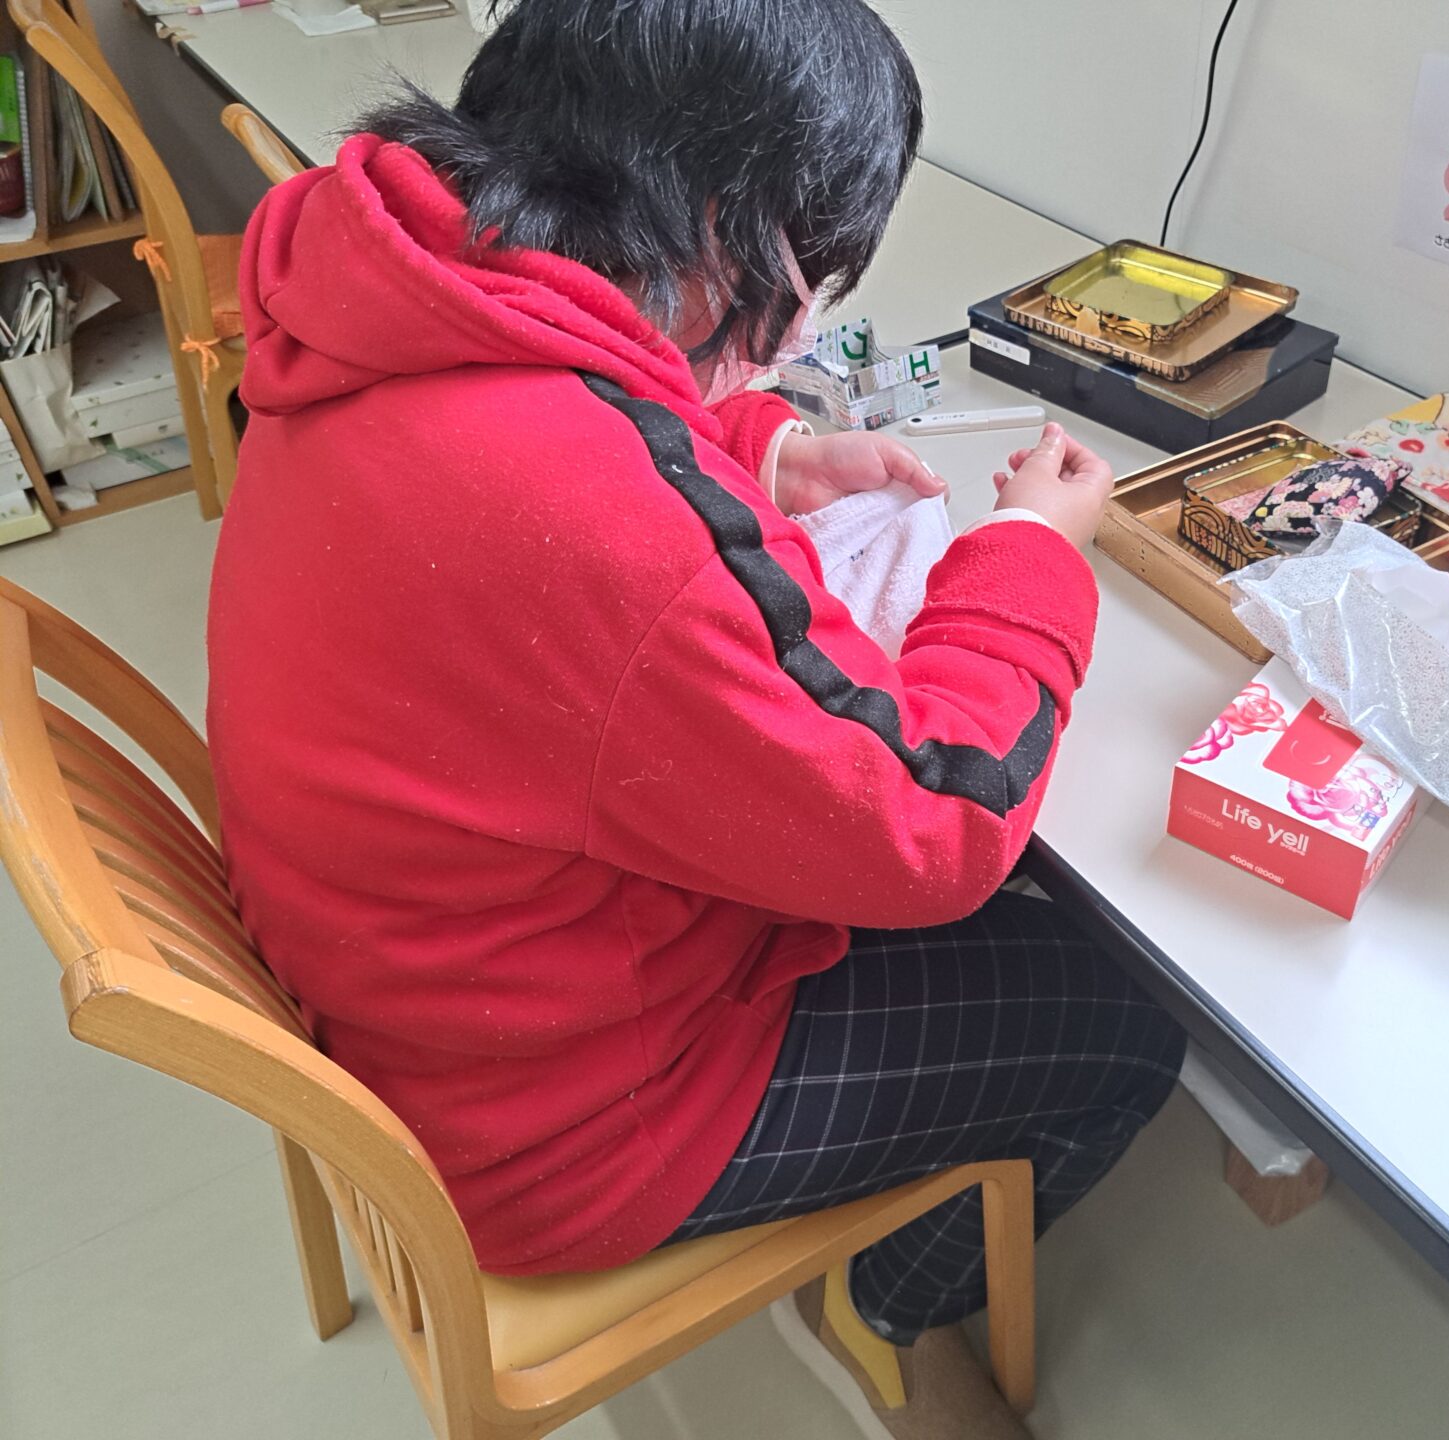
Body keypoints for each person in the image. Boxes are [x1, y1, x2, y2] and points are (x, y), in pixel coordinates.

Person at [205, 2, 1184, 1434]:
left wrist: (755, 453)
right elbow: (940, 817)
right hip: (557, 1132)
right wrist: (1031, 554)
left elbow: (578, 397)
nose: (804, 326)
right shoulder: (596, 519)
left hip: (422, 993)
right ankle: (888, 1311)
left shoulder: (376, 289)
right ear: (730, 227)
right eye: (813, 276)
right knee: (1121, 1018)